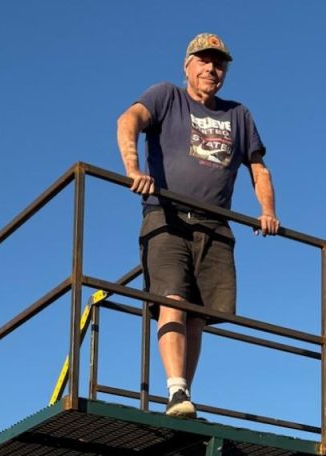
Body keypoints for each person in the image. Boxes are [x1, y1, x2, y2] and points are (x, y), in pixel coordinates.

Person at [116, 32, 279, 419]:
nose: (212, 68)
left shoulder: (238, 114)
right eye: (204, 61)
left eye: (219, 63)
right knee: (172, 298)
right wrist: (133, 168)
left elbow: (259, 168)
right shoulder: (166, 95)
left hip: (215, 225)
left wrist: (268, 211)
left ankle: (184, 393)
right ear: (187, 65)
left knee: (198, 313)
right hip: (167, 214)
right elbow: (129, 119)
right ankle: (175, 390)